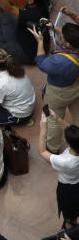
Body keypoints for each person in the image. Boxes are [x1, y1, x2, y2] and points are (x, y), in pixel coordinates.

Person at [37, 15, 79, 152]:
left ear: (67, 44)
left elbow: (42, 64)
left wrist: (40, 41)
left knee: (54, 120)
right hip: (76, 86)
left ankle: (52, 147)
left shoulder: (60, 61)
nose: (59, 37)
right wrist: (53, 28)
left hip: (58, 92)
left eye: (62, 37)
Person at [39, 112, 79, 228]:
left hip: (68, 190)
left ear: (69, 142)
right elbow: (72, 133)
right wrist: (56, 117)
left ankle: (69, 231)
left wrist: (43, 130)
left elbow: (42, 151)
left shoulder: (66, 162)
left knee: (69, 214)